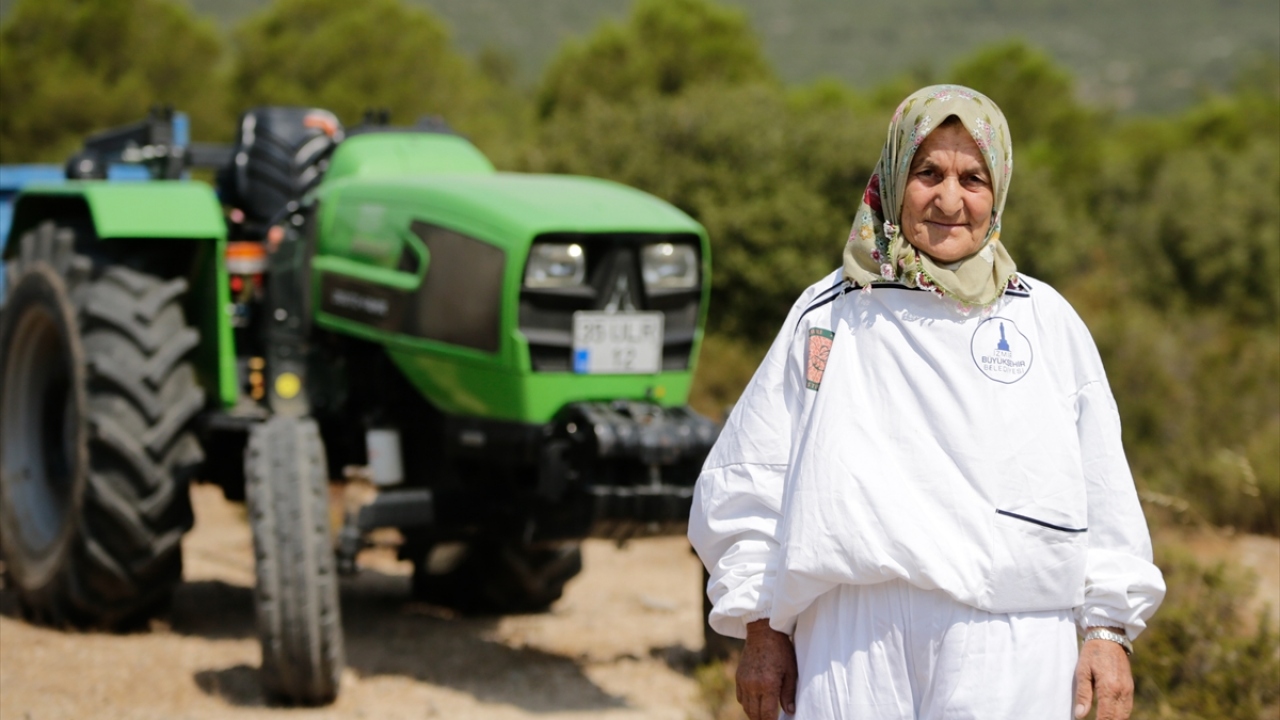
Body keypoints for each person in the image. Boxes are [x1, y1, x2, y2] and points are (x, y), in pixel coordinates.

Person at [687, 85, 1165, 720]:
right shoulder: (828, 314)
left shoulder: (1044, 320)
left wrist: (1108, 632)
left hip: (1013, 642)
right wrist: (761, 629)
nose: (949, 199)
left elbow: (1104, 488)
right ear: (892, 177)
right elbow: (750, 482)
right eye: (927, 172)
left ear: (998, 190)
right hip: (852, 639)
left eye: (973, 177)